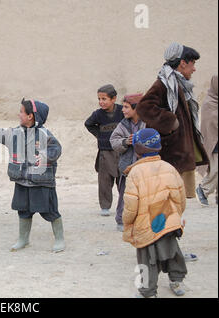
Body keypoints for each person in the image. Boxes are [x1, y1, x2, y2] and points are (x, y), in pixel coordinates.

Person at [0, 98, 64, 253]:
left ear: (31, 116)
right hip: (22, 181)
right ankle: (23, 239)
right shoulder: (14, 133)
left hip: (41, 182)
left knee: (50, 211)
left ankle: (59, 239)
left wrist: (44, 155)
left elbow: (56, 149)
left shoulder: (45, 134)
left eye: (22, 111)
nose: (19, 114)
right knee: (23, 210)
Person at [136, 42, 209, 198]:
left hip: (181, 152)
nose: (194, 68)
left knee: (177, 199)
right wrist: (171, 122)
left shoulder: (179, 83)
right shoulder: (163, 83)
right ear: (182, 63)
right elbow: (144, 107)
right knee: (168, 198)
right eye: (193, 63)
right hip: (171, 152)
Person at [122, 128, 188, 298]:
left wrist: (128, 222)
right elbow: (180, 196)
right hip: (168, 220)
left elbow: (130, 205)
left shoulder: (134, 173)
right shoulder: (169, 167)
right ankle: (177, 281)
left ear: (138, 148)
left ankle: (148, 291)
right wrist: (176, 216)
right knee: (172, 251)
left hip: (146, 224)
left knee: (146, 258)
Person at [84, 84, 124, 216]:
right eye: (99, 99)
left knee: (122, 180)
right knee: (105, 180)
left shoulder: (121, 111)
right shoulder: (98, 114)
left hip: (121, 151)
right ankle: (105, 206)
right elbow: (88, 124)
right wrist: (100, 135)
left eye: (104, 99)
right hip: (105, 152)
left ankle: (125, 205)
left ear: (113, 99)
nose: (101, 102)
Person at [110, 94, 145, 232]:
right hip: (127, 167)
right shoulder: (123, 124)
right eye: (123, 107)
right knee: (125, 194)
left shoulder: (147, 122)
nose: (123, 110)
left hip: (143, 166)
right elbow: (114, 140)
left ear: (136, 108)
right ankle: (121, 220)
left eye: (126, 107)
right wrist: (125, 141)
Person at [196, 75, 218, 206]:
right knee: (215, 169)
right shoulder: (209, 103)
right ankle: (203, 189)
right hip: (213, 141)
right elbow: (211, 122)